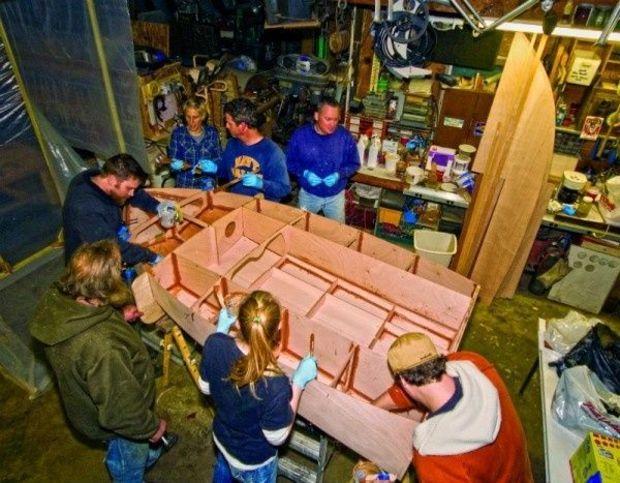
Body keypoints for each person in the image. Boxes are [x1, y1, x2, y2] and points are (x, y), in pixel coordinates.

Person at [29, 240, 174, 482]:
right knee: (128, 461)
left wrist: (117, 316)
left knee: (133, 452)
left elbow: (89, 327)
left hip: (86, 404)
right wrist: (151, 428)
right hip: (120, 425)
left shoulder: (61, 301)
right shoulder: (102, 347)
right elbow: (121, 411)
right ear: (104, 288)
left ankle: (146, 456)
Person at [373, 332, 533, 483]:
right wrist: (372, 409)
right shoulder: (474, 362)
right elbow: (410, 388)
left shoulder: (436, 459)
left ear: (404, 381)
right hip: (520, 472)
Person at [199, 290, 317, 482]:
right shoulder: (276, 384)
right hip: (253, 462)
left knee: (223, 471)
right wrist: (298, 383)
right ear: (278, 328)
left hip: (222, 440)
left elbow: (205, 387)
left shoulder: (213, 343)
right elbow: (277, 437)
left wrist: (220, 332)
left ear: (239, 322)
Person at [63, 153, 172, 267]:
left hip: (104, 238)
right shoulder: (86, 207)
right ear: (111, 179)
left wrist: (158, 207)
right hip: (89, 264)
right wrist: (152, 257)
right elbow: (112, 247)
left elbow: (135, 193)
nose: (132, 193)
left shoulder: (96, 176)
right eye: (129, 188)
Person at [286, 97, 360, 223]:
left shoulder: (344, 136)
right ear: (316, 116)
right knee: (300, 230)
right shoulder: (301, 136)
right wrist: (305, 173)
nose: (333, 124)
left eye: (336, 119)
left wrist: (339, 174)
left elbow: (354, 163)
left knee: (337, 234)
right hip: (308, 195)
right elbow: (289, 162)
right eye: (328, 119)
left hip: (335, 197)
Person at [220, 98, 291, 201]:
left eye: (229, 123)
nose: (226, 126)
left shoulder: (272, 152)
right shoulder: (232, 145)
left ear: (243, 126)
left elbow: (284, 189)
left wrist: (261, 184)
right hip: (236, 204)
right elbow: (224, 172)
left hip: (261, 210)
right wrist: (214, 168)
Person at [168, 97, 222, 190]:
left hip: (206, 184)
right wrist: (175, 165)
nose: (191, 121)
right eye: (188, 117)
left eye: (195, 117)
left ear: (202, 116)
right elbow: (172, 164)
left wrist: (214, 168)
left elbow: (219, 159)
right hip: (185, 185)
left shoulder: (212, 133)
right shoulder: (178, 134)